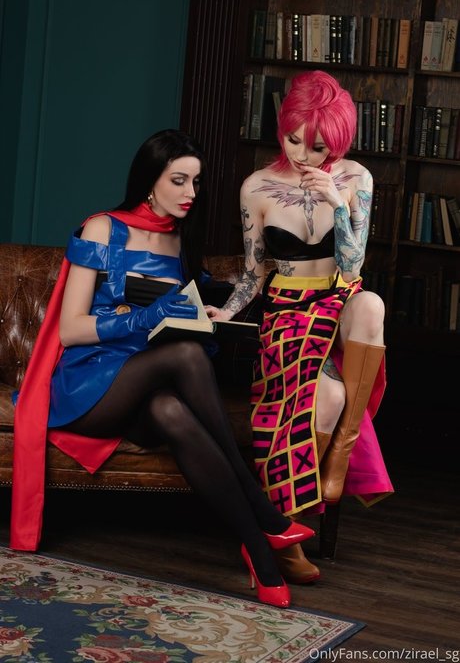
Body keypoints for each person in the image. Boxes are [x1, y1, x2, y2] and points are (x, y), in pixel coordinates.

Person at [10, 128, 317, 609]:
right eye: (178, 180)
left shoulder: (180, 239)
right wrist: (143, 318)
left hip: (147, 385)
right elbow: (69, 330)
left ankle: (260, 552)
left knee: (172, 409)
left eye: (196, 182)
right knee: (186, 355)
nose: (190, 192)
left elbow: (185, 316)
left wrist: (208, 314)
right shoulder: (102, 228)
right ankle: (264, 511)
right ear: (149, 180)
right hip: (90, 385)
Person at [206, 71, 393, 584]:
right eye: (293, 139)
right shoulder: (256, 187)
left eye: (318, 146)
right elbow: (253, 272)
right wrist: (229, 310)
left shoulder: (356, 179)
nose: (303, 155)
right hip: (288, 309)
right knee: (326, 398)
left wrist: (336, 202)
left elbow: (353, 267)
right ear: (281, 129)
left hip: (339, 301)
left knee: (371, 303)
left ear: (338, 141)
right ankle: (289, 533)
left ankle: (341, 455)